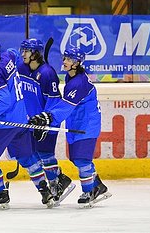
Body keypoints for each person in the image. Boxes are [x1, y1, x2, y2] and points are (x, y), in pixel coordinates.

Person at [0, 37, 54, 209]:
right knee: (26, 157)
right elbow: (14, 52)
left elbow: (3, 100)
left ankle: (1, 194)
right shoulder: (7, 57)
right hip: (21, 119)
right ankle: (46, 191)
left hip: (4, 124)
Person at [29, 48, 112, 208]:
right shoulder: (71, 76)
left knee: (82, 159)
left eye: (69, 59)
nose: (64, 61)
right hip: (77, 122)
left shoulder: (78, 82)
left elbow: (66, 106)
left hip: (87, 124)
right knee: (75, 158)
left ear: (77, 63)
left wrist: (49, 116)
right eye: (65, 58)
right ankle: (98, 186)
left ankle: (90, 191)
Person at [17, 38, 75, 205]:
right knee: (33, 154)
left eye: (26, 51)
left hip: (45, 122)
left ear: (35, 53)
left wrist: (44, 120)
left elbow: (54, 101)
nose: (23, 54)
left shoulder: (48, 74)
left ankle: (56, 183)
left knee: (45, 154)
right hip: (29, 122)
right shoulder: (21, 68)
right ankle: (60, 179)